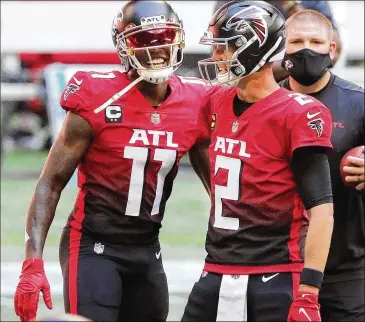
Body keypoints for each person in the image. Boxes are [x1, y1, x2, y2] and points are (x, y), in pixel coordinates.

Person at [13, 1, 215, 321]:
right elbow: (50, 183)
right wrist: (32, 261)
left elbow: (218, 188)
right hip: (92, 246)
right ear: (125, 47)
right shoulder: (97, 95)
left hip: (148, 247)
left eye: (165, 36)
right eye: (145, 40)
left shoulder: (197, 101)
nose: (159, 48)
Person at [182, 1, 334, 321]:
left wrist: (309, 291)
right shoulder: (215, 101)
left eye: (223, 49)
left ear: (252, 49)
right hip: (215, 268)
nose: (216, 58)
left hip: (274, 274)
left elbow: (321, 209)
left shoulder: (298, 113)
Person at [281, 9, 365, 321]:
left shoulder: (358, 103)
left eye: (316, 41)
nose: (306, 48)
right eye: (297, 41)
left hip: (347, 266)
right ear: (283, 48)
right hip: (281, 266)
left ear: (332, 49)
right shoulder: (269, 102)